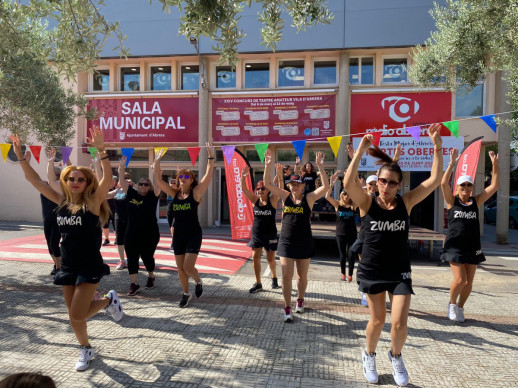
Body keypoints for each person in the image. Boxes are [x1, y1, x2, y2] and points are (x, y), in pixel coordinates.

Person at [10, 128, 123, 372]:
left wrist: (102, 150)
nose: (74, 182)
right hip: (68, 264)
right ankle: (85, 349)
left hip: (88, 264)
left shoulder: (92, 203)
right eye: (70, 178)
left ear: (86, 183)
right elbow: (34, 180)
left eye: (80, 179)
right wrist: (20, 157)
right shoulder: (60, 202)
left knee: (78, 313)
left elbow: (106, 180)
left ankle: (108, 300)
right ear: (65, 181)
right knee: (74, 316)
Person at [343, 124, 443, 386]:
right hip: (373, 269)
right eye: (382, 181)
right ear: (377, 180)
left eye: (392, 182)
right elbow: (347, 182)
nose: (385, 186)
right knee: (378, 320)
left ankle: (396, 356)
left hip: (399, 269)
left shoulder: (405, 202)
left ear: (399, 185)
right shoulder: (366, 202)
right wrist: (361, 150)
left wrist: (436, 146)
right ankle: (369, 354)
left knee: (399, 324)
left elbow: (433, 180)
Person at [263, 148, 329, 322]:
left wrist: (321, 168)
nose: (294, 187)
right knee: (286, 276)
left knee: (302, 276)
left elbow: (326, 187)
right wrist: (268, 165)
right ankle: (287, 307)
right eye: (292, 184)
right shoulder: (285, 196)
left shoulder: (309, 198)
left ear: (303, 185)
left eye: (297, 184)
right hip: (286, 241)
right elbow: (268, 185)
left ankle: (300, 300)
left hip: (304, 241)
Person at [441, 148, 499, 322]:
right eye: (462, 185)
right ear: (457, 188)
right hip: (454, 246)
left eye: (469, 185)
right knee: (460, 280)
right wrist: (452, 164)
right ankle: (451, 304)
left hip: (472, 246)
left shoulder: (476, 201)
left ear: (472, 187)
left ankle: (460, 308)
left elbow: (494, 185)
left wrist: (495, 165)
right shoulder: (452, 202)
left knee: (468, 283)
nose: (466, 187)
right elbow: (443, 184)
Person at [154, 144, 215, 308]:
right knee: (180, 269)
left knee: (188, 266)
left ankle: (198, 281)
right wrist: (157, 160)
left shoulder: (196, 193)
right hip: (178, 235)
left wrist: (211, 157)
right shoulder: (174, 193)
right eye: (180, 176)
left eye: (186, 177)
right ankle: (186, 293)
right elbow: (159, 181)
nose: (182, 178)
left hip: (193, 234)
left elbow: (208, 177)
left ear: (191, 180)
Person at [118, 158, 161, 296]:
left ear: (150, 187)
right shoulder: (131, 193)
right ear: (137, 185)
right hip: (131, 234)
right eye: (141, 184)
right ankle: (134, 284)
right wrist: (122, 167)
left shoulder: (153, 196)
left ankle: (151, 275)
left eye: (146, 184)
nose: (143, 186)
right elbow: (121, 180)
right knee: (132, 258)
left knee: (147, 257)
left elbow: (159, 181)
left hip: (150, 234)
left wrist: (156, 167)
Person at [241, 167, 280, 293]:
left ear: (268, 190)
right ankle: (258, 282)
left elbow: (280, 190)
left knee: (270, 259)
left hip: (270, 234)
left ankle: (274, 276)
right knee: (255, 256)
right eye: (258, 189)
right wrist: (243, 177)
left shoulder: (273, 201)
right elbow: (244, 190)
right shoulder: (255, 201)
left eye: (263, 188)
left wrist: (280, 176)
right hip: (257, 234)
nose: (260, 191)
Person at [325, 171, 358, 282]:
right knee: (342, 255)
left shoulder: (353, 206)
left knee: (351, 255)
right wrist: (331, 184)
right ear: (341, 195)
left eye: (348, 195)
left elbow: (362, 195)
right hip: (340, 234)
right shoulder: (337, 204)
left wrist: (354, 182)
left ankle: (350, 275)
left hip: (352, 233)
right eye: (344, 194)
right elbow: (327, 196)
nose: (346, 196)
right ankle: (343, 274)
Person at [107, 169, 133, 270]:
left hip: (130, 218)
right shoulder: (117, 191)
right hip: (118, 218)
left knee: (130, 240)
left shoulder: (133, 191)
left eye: (126, 179)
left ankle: (132, 259)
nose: (124, 181)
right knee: (119, 240)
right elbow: (105, 195)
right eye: (122, 179)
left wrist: (132, 185)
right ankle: (122, 260)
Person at [101, 176, 118, 246]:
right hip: (106, 210)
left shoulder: (117, 190)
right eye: (111, 181)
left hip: (115, 210)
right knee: (105, 225)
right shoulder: (104, 189)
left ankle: (117, 238)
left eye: (113, 181)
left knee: (115, 226)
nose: (112, 182)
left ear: (116, 182)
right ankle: (107, 239)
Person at [166, 177, 177, 251]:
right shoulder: (168, 190)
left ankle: (174, 243)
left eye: (174, 182)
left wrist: (178, 173)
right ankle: (175, 241)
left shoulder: (178, 191)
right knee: (171, 228)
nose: (173, 184)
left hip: (177, 211)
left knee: (173, 227)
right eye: (171, 182)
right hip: (169, 211)